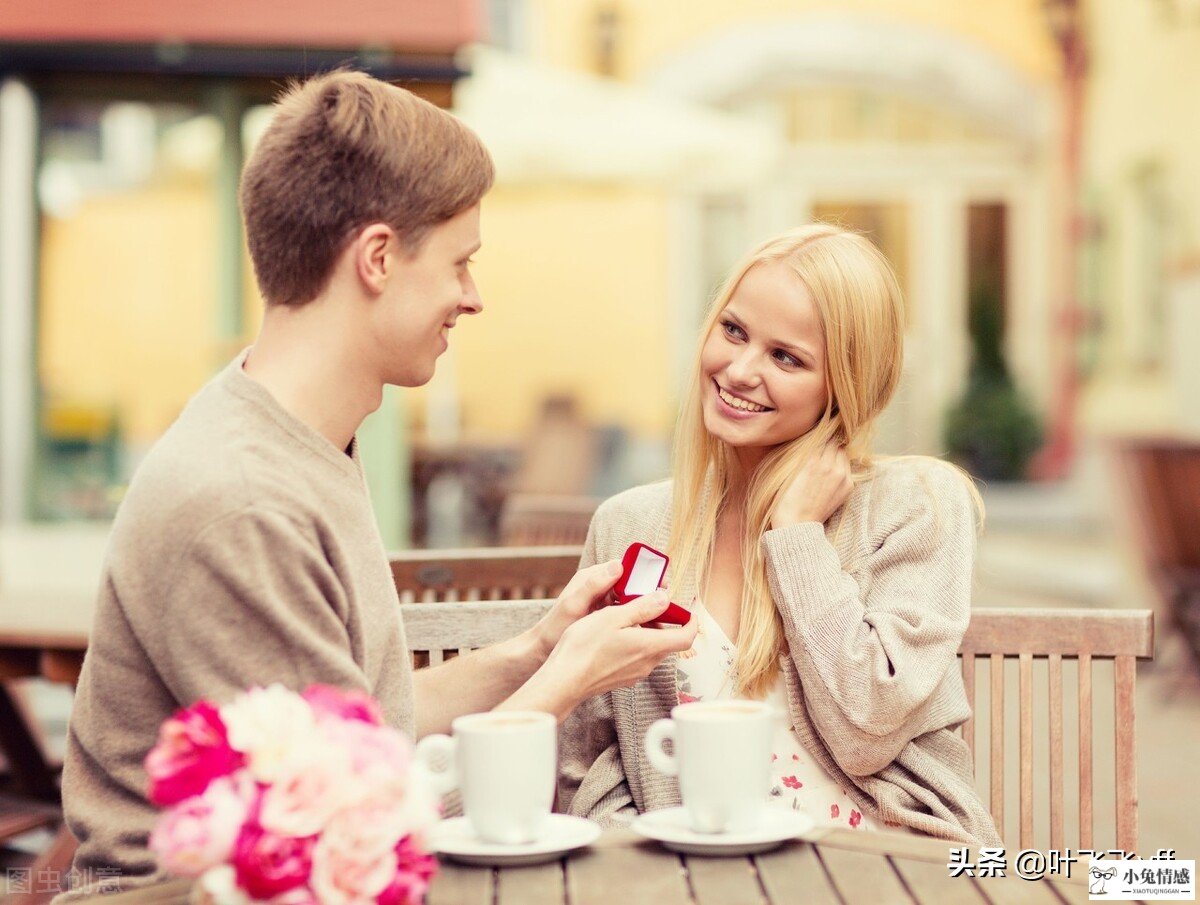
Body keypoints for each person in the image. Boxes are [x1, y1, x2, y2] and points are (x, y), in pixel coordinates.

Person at [61, 69, 697, 895]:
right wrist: (570, 680)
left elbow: (370, 730)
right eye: (461, 262)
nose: (473, 298)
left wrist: (540, 648)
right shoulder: (244, 500)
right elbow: (359, 823)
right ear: (378, 258)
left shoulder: (300, 439)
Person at [558, 224, 1003, 845]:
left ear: (843, 387)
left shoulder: (919, 503)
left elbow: (867, 726)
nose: (739, 370)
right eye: (733, 330)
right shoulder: (632, 524)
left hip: (882, 863)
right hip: (698, 868)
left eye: (786, 357)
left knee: (1164, 885)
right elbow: (589, 756)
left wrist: (798, 538)